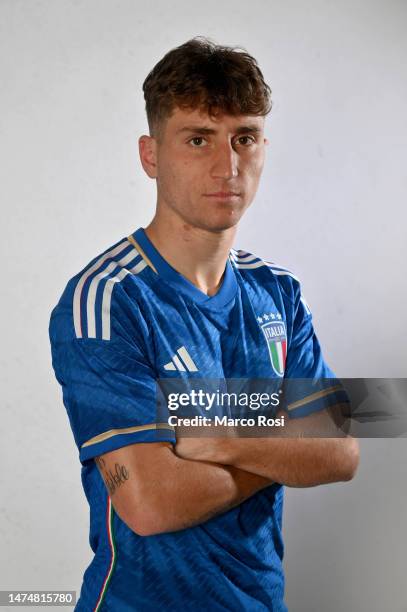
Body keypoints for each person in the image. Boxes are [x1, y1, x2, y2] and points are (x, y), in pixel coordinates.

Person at [49, 37, 359, 612]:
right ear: (150, 155)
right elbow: (150, 504)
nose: (227, 166)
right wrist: (282, 440)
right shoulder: (107, 300)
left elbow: (340, 450)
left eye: (244, 138)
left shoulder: (278, 292)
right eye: (198, 139)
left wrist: (220, 438)